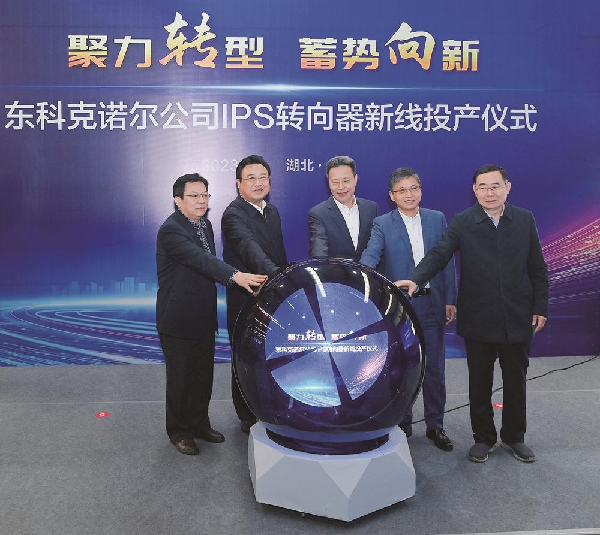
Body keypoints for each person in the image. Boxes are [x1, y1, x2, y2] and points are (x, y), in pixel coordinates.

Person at [395, 164, 548, 463]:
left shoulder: (524, 219)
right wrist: (416, 279)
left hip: (517, 314)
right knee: (479, 382)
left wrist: (540, 306)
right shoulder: (463, 221)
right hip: (479, 316)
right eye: (483, 187)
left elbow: (537, 267)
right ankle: (484, 438)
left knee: (516, 380)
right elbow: (439, 254)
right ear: (474, 191)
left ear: (507, 188)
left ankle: (514, 437)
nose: (489, 193)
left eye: (495, 186)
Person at [156, 173, 267, 455]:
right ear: (178, 200)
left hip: (203, 315)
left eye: (205, 195)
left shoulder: (204, 224)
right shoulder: (171, 230)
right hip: (177, 317)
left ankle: (199, 424)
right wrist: (235, 275)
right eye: (194, 196)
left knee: (202, 376)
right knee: (181, 379)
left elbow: (208, 264)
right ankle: (179, 431)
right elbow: (201, 260)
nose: (201, 201)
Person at [360, 167, 457, 451]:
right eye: (401, 190)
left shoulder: (437, 219)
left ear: (421, 191)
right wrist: (359, 275)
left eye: (413, 188)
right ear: (392, 196)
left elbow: (447, 261)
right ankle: (402, 423)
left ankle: (436, 425)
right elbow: (371, 256)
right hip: (400, 308)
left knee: (434, 368)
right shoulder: (382, 224)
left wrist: (450, 299)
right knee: (401, 367)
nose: (409, 194)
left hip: (432, 304)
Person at [221, 155, 288, 433]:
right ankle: (247, 415)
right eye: (251, 178)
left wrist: (284, 278)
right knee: (246, 356)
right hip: (246, 297)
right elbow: (250, 250)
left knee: (271, 354)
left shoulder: (272, 211)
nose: (258, 183)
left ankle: (270, 407)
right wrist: (279, 277)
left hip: (272, 295)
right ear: (239, 184)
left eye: (263, 177)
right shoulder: (233, 214)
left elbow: (278, 253)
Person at [309, 155, 379, 260]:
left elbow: (377, 247)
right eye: (335, 182)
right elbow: (319, 252)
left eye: (346, 181)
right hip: (335, 270)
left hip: (367, 270)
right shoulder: (318, 213)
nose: (341, 187)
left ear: (355, 179)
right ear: (328, 183)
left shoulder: (371, 208)